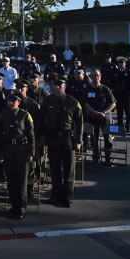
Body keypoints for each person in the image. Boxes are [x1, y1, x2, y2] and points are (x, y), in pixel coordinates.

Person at [40, 79, 82, 207]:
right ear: (52, 86)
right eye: (55, 85)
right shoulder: (47, 101)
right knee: (55, 169)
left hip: (67, 140)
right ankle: (55, 195)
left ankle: (67, 196)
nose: (58, 87)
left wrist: (78, 140)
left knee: (69, 170)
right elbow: (42, 120)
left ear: (65, 86)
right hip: (53, 139)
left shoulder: (73, 102)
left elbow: (79, 122)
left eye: (60, 85)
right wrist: (43, 136)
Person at [0, 90, 35, 219]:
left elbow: (31, 135)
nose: (11, 102)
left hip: (22, 150)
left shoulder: (25, 115)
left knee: (21, 182)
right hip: (8, 150)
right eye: (9, 100)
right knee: (11, 181)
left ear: (19, 102)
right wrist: (0, 152)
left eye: (14, 101)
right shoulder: (3, 114)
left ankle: (21, 208)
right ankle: (13, 206)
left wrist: (31, 152)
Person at [82, 70, 116, 166]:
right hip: (93, 117)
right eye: (93, 75)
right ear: (90, 77)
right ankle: (95, 158)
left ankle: (108, 159)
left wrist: (104, 112)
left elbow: (113, 103)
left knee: (107, 138)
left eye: (97, 75)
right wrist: (94, 112)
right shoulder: (87, 89)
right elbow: (85, 103)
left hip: (105, 117)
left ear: (100, 77)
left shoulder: (105, 89)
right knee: (94, 138)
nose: (95, 77)